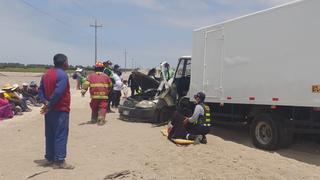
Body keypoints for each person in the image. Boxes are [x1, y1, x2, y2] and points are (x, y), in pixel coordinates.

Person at [38, 53, 74, 169]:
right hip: (60, 109)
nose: (68, 64)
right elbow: (58, 92)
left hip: (49, 110)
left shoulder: (46, 74)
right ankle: (59, 160)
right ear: (64, 63)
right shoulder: (62, 75)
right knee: (60, 134)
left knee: (50, 134)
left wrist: (45, 102)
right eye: (67, 61)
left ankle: (49, 157)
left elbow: (40, 90)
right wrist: (50, 104)